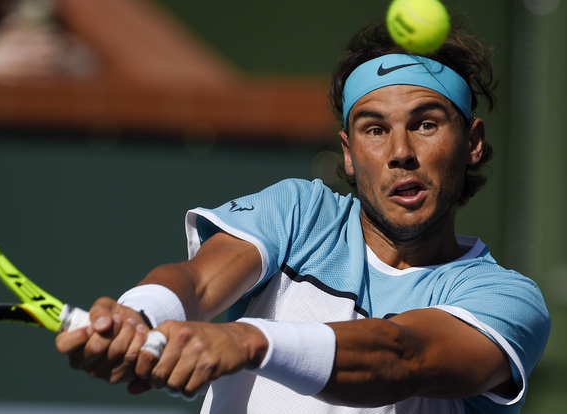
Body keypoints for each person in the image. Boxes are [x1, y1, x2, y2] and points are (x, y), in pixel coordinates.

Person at [56, 19, 550, 414]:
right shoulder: (300, 213)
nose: (400, 151)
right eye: (374, 130)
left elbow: (402, 358)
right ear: (350, 154)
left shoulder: (505, 300)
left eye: (425, 124)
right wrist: (140, 315)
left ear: (473, 143)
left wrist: (249, 341)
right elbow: (199, 284)